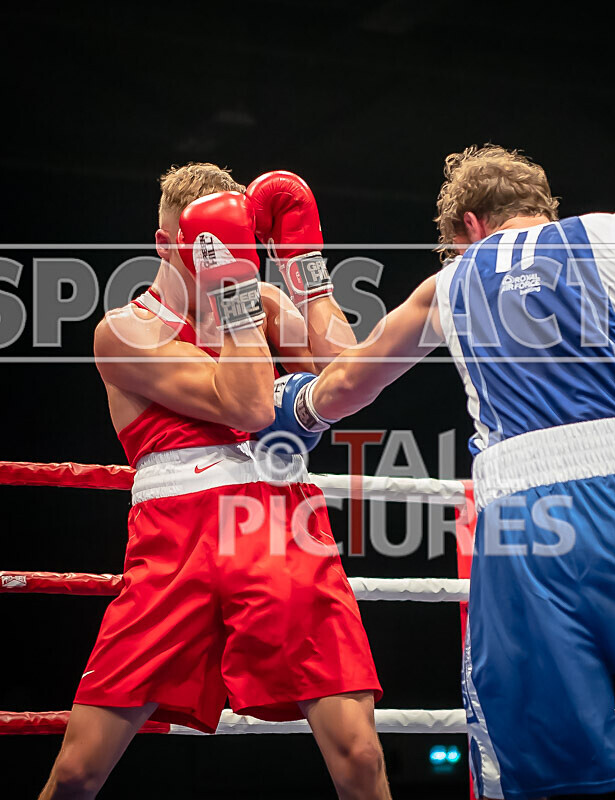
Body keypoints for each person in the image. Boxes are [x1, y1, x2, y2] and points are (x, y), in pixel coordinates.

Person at [268, 145, 615, 799]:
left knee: (553, 775)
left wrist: (292, 407)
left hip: (523, 518)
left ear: (469, 225)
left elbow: (346, 381)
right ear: (540, 206)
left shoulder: (449, 283)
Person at [39, 163, 391, 800]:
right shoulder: (124, 332)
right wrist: (235, 292)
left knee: (361, 757)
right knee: (78, 770)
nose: (216, 258)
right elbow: (248, 406)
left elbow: (350, 377)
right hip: (176, 546)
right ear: (164, 244)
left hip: (281, 526)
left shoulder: (265, 304)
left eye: (226, 245)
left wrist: (305, 269)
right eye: (203, 246)